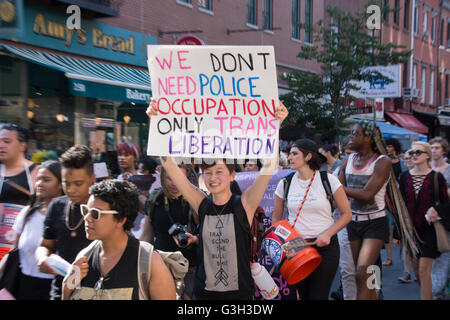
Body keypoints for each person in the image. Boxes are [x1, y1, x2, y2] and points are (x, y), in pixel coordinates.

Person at [146, 98, 289, 300]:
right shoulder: (201, 203)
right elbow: (169, 164)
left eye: (219, 171)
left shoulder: (245, 204)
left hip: (239, 297)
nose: (213, 178)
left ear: (232, 175)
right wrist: (156, 120)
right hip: (203, 296)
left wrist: (276, 124)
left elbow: (269, 165)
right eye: (208, 172)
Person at [62, 179, 176, 300]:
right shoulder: (84, 257)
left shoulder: (149, 262)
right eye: (85, 210)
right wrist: (66, 287)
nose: (86, 218)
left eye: (95, 213)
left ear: (121, 219)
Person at [272, 138, 352, 300]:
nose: (289, 158)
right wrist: (283, 242)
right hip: (297, 250)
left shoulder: (328, 180)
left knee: (318, 296)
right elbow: (276, 219)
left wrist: (328, 234)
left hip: (326, 249)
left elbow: (347, 214)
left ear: (308, 156)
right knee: (300, 296)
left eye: (295, 154)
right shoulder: (285, 183)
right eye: (290, 154)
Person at [338, 120, 392, 300]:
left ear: (368, 138)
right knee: (363, 276)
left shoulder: (382, 162)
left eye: (356, 133)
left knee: (362, 272)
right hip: (353, 223)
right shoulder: (348, 159)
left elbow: (367, 194)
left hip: (375, 223)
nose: (351, 136)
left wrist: (336, 188)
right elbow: (339, 193)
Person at [35, 145, 96, 300]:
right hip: (60, 292)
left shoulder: (103, 208)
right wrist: (42, 258)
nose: (71, 190)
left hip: (95, 292)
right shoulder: (56, 206)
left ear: (92, 179)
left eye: (78, 183)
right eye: (66, 183)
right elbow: (45, 245)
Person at [397, 141, 449, 300]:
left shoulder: (436, 177)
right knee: (419, 274)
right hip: (411, 231)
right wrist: (397, 232)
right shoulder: (404, 177)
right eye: (411, 153)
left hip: (429, 229)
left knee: (423, 270)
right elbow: (402, 205)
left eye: (417, 153)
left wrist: (436, 210)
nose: (413, 155)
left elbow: (446, 202)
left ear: (427, 155)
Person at [140, 164, 199, 300]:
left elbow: (210, 236)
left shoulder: (198, 198)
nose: (174, 184)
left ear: (188, 177)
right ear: (162, 177)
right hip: (161, 266)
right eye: (169, 178)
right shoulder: (155, 198)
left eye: (179, 178)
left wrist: (195, 239)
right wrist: (139, 261)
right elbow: (147, 235)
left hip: (191, 268)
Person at [7, 161, 63, 299]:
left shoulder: (67, 219)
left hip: (52, 289)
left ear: (61, 185)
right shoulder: (27, 213)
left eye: (46, 180)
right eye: (38, 179)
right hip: (22, 285)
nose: (40, 184)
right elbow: (14, 251)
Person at [0, 124, 40, 260]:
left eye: (7, 142)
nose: (1, 145)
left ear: (22, 146)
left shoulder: (36, 172)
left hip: (23, 246)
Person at [427, 137, 450, 299]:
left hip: (445, 220)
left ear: (444, 151)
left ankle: (437, 291)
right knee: (428, 261)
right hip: (425, 220)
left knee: (443, 257)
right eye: (432, 147)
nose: (433, 150)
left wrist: (436, 208)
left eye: (436, 148)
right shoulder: (425, 169)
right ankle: (436, 292)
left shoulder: (448, 170)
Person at [396, 149, 416, 284]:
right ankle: (407, 272)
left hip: (423, 216)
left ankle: (421, 271)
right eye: (406, 158)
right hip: (407, 215)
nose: (407, 160)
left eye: (410, 158)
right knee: (407, 244)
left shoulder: (430, 174)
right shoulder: (404, 176)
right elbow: (400, 198)